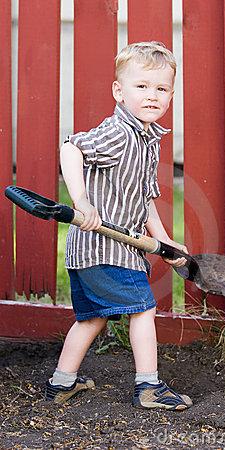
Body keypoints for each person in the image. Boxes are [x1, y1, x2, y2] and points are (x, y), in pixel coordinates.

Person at [45, 41, 192, 410]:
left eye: (161, 88)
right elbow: (71, 148)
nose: (152, 96)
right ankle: (149, 387)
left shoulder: (149, 140)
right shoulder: (119, 133)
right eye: (141, 86)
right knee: (143, 310)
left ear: (171, 94)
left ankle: (62, 383)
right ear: (119, 91)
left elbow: (142, 200)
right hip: (103, 247)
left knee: (92, 318)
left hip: (94, 251)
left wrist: (166, 243)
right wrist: (81, 201)